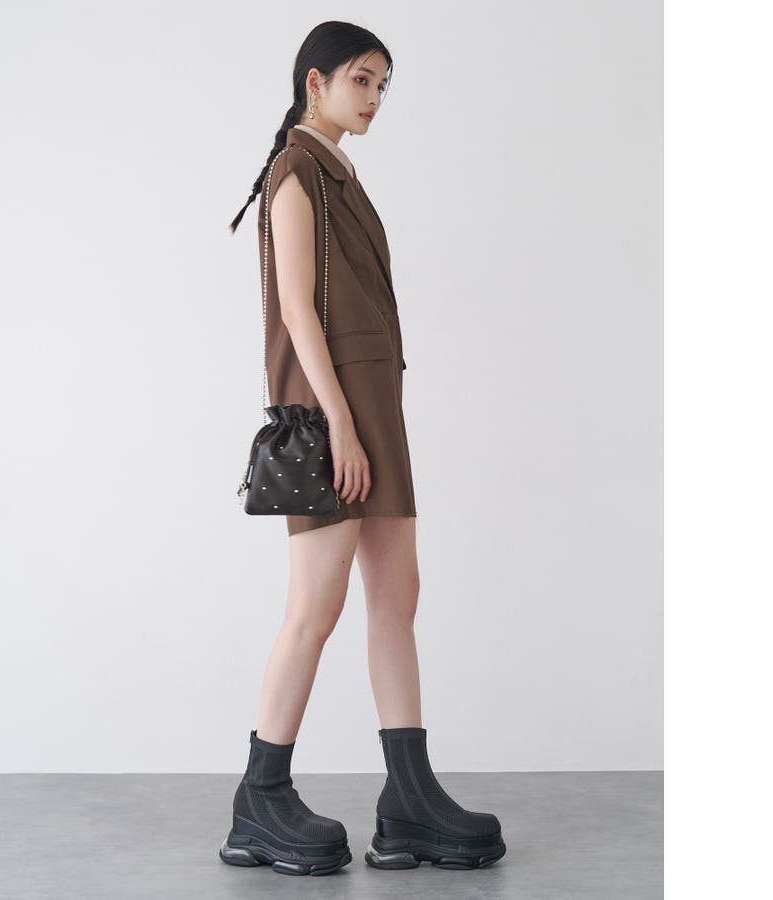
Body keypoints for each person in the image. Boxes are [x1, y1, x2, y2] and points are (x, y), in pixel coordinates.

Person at [221, 21, 506, 876]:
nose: (375, 98)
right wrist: (341, 423)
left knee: (396, 596)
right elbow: (296, 310)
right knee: (316, 606)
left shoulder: (339, 172)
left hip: (373, 407)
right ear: (315, 83)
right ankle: (259, 798)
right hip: (331, 418)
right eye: (362, 79)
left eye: (383, 84)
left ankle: (408, 800)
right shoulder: (295, 171)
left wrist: (367, 417)